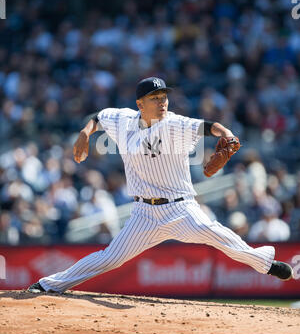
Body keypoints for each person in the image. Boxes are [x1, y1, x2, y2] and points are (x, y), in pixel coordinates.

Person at [28, 77, 293, 294]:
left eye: (164, 96)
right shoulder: (122, 120)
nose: (162, 102)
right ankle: (49, 285)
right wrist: (86, 132)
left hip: (181, 210)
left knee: (223, 238)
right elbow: (99, 116)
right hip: (143, 215)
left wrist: (227, 135)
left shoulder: (174, 124)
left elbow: (209, 127)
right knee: (110, 258)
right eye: (155, 98)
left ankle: (266, 265)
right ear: (140, 104)